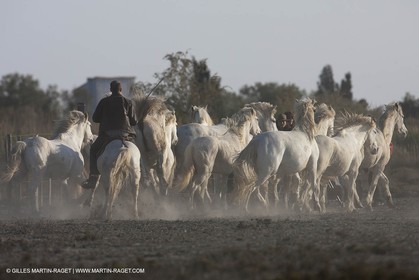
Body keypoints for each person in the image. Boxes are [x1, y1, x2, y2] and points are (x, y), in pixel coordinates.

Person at [82, 80, 138, 189]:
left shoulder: (103, 102)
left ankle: (93, 178)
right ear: (121, 90)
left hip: (107, 135)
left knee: (93, 150)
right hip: (125, 135)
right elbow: (134, 122)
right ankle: (142, 175)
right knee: (136, 151)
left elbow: (95, 118)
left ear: (111, 90)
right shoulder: (128, 102)